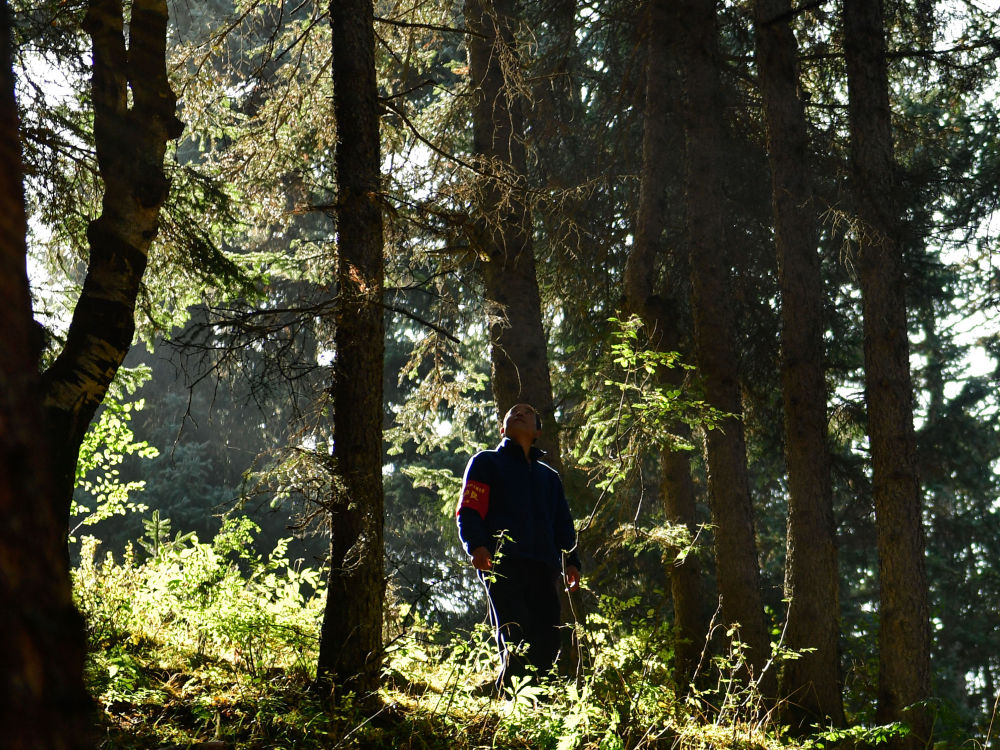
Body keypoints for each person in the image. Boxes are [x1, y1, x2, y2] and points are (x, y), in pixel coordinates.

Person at [456, 402, 581, 692]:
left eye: (528, 411)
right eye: (513, 413)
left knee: (548, 638)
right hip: (502, 562)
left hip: (544, 567)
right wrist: (476, 545)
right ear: (503, 428)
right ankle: (514, 702)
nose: (520, 413)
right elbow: (470, 508)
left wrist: (572, 561)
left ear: (537, 432)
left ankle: (522, 696)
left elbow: (563, 523)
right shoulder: (485, 462)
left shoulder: (549, 478)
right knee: (514, 631)